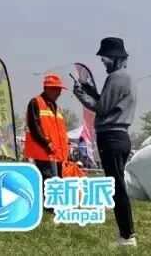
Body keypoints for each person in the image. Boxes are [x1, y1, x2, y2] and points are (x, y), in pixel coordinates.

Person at [74, 37, 137, 248]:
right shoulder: (125, 77)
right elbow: (106, 102)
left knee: (116, 187)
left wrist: (80, 95)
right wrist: (90, 91)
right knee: (118, 184)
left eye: (105, 58)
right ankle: (126, 234)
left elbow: (101, 108)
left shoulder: (116, 77)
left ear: (114, 57)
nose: (103, 62)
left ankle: (127, 236)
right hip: (120, 136)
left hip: (111, 137)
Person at [24, 74, 70, 193]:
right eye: (57, 89)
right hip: (44, 151)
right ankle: (48, 203)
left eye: (60, 90)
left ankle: (53, 202)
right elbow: (34, 127)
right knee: (48, 181)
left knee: (57, 182)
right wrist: (46, 143)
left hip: (58, 153)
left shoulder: (55, 107)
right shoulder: (36, 103)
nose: (60, 93)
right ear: (48, 88)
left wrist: (66, 147)